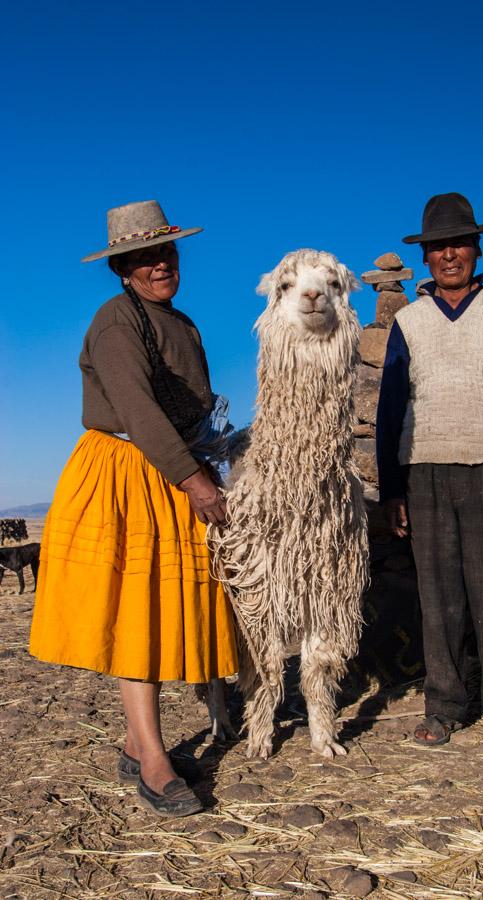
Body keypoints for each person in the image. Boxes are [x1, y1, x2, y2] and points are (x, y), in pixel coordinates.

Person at [30, 200, 238, 815]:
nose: (159, 266)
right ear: (122, 268)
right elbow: (138, 409)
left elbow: (191, 405)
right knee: (136, 614)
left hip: (169, 470)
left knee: (155, 608)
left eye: (165, 253)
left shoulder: (182, 323)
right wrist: (195, 481)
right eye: (143, 259)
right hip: (126, 473)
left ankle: (134, 740)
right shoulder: (118, 322)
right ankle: (151, 762)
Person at [376, 192, 483, 750]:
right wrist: (393, 488)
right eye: (438, 248)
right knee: (438, 592)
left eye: (459, 244)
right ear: (426, 258)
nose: (450, 256)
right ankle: (444, 705)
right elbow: (390, 408)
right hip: (423, 469)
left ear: (476, 249)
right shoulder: (410, 322)